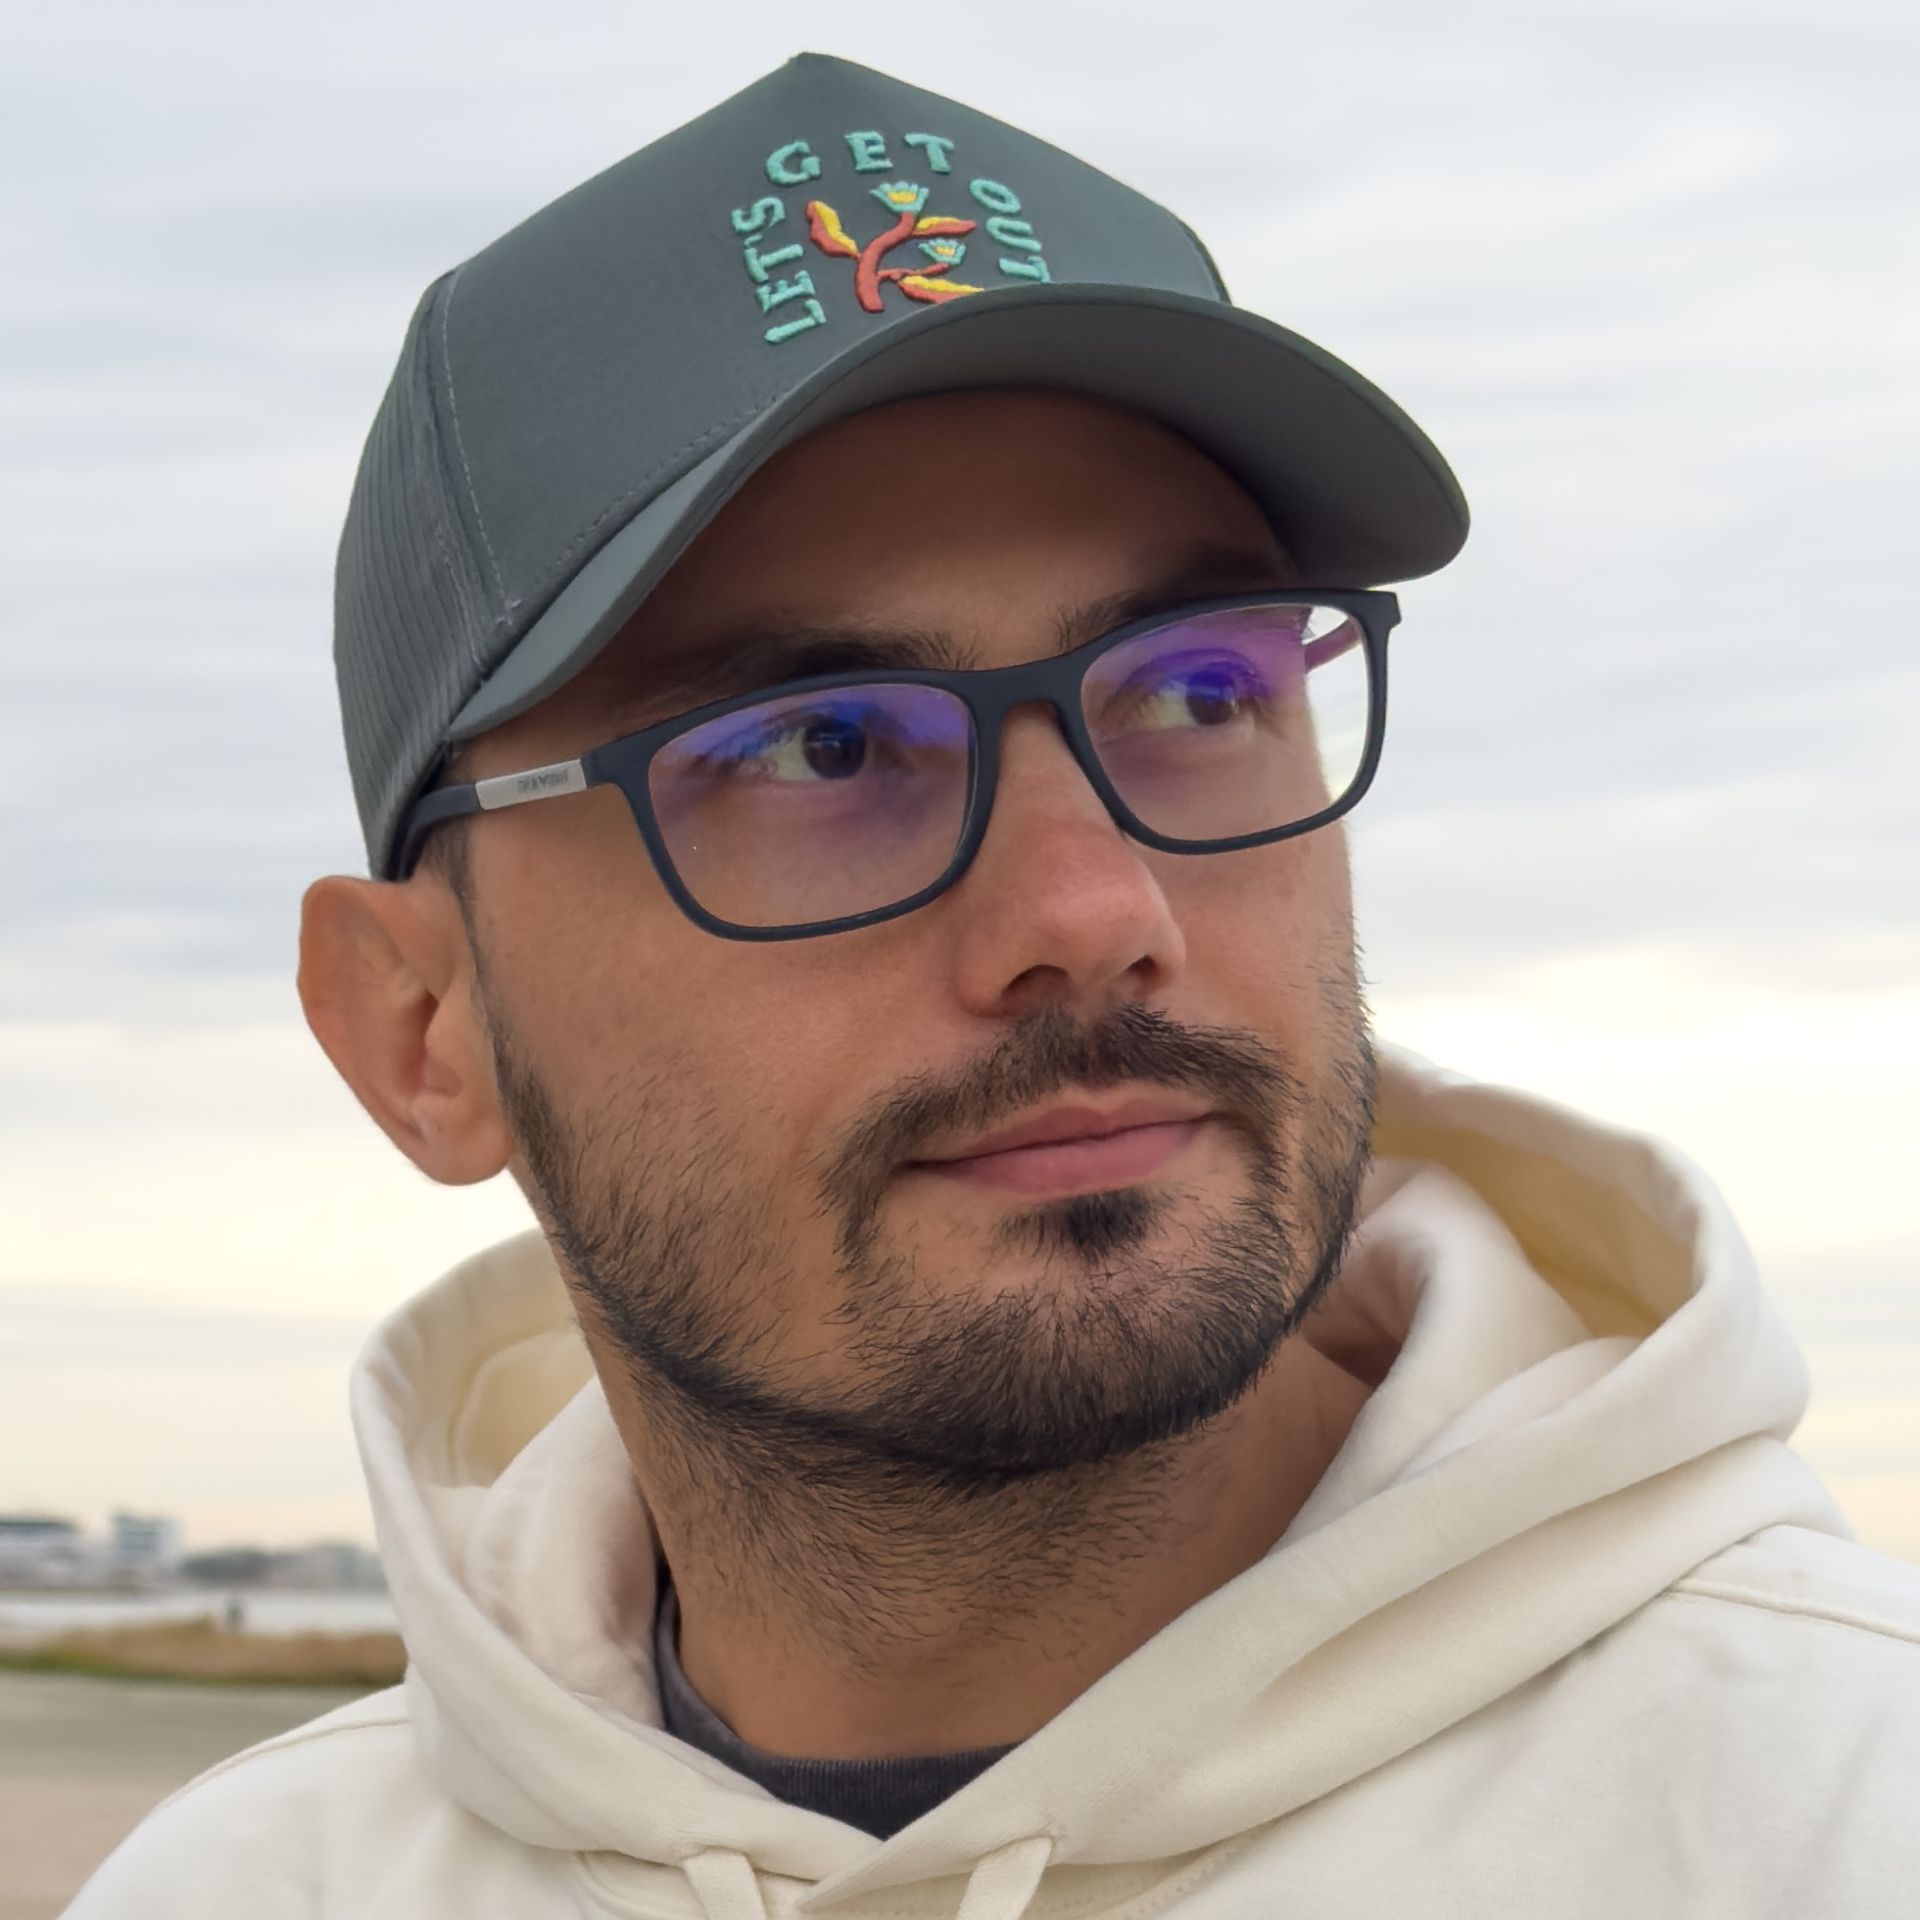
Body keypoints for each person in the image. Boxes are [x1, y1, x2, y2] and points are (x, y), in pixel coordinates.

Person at [70, 51, 1918, 1920]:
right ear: (421, 1032)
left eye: (1198, 691)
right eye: (813, 748)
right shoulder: (246, 1891)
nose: (1098, 909)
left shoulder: (1837, 1814)